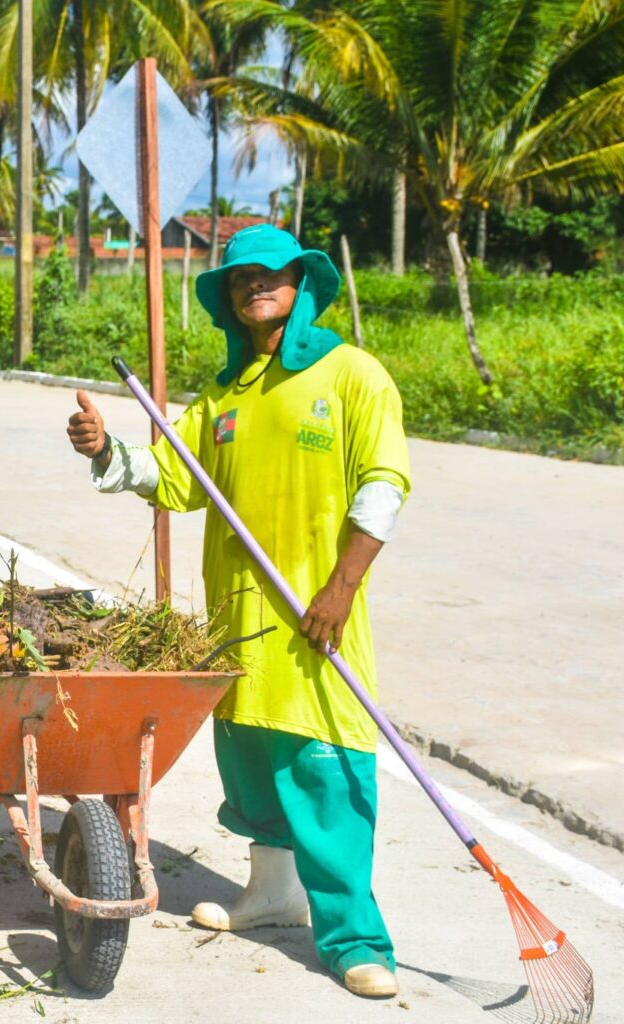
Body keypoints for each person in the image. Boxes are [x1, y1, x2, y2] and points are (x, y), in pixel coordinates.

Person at [66, 224, 410, 999]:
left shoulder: (353, 375)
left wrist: (341, 587)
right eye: (239, 276)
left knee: (327, 772)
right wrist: (103, 450)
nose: (254, 284)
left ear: (302, 281)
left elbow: (384, 487)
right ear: (227, 297)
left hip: (316, 619)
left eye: (270, 272)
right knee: (252, 763)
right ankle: (273, 895)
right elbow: (170, 479)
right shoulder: (223, 396)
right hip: (239, 622)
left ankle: (355, 937)